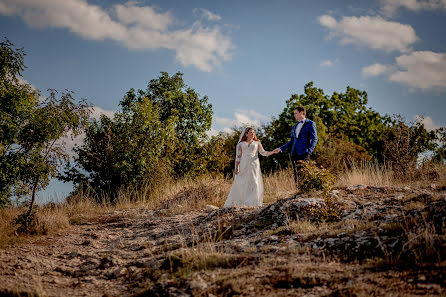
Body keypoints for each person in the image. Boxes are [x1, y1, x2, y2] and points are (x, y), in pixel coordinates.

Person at [223, 127, 275, 208]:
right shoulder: (241, 144)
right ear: (246, 134)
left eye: (253, 132)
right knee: (242, 182)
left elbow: (263, 153)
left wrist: (272, 152)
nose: (253, 134)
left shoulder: (257, 143)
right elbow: (238, 157)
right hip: (243, 164)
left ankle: (253, 202)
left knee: (254, 181)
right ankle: (241, 201)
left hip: (254, 164)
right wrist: (236, 168)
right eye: (251, 132)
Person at [273, 106, 318, 188]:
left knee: (304, 172)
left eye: (295, 113)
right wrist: (280, 149)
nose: (294, 115)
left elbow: (314, 139)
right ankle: (298, 190)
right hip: (294, 152)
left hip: (304, 152)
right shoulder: (295, 126)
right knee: (296, 173)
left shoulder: (310, 124)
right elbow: (292, 141)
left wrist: (309, 151)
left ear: (301, 113)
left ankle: (306, 190)